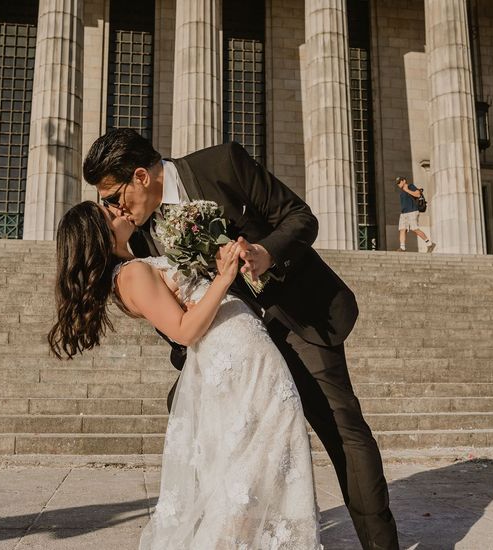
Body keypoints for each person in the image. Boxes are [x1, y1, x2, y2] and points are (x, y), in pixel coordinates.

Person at [82, 128, 400, 550]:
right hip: (233, 346)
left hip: (296, 316)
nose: (114, 208)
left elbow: (301, 217)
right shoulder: (136, 233)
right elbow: (169, 312)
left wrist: (266, 252)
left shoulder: (221, 164)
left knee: (343, 431)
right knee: (191, 421)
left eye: (114, 197)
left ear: (141, 176)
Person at [49, 202, 320, 548]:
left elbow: (185, 315)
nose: (119, 210)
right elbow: (183, 331)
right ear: (97, 236)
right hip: (236, 358)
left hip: (241, 353)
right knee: (253, 463)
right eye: (109, 215)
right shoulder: (130, 274)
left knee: (258, 459)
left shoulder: (134, 267)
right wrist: (223, 279)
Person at [395, 176, 436, 253]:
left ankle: (429, 243)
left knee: (415, 228)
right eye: (397, 183)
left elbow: (417, 194)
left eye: (400, 182)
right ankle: (402, 247)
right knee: (402, 229)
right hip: (404, 213)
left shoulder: (411, 186)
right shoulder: (401, 191)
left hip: (412, 211)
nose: (399, 184)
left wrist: (407, 190)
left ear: (404, 181)